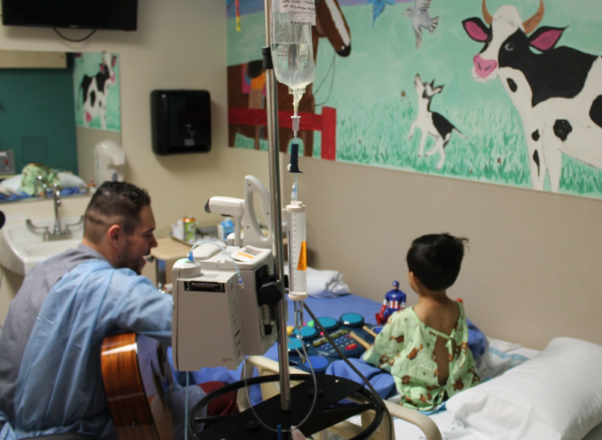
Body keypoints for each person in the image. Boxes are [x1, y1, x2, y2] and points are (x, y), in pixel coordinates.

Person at [0, 181, 236, 440]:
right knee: (221, 393)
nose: (153, 244)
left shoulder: (41, 272)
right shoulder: (111, 286)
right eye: (147, 235)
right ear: (115, 236)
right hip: (77, 432)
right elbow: (191, 328)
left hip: (12, 430)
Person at [363, 233, 480, 411]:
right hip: (457, 384)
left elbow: (381, 354)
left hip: (422, 390)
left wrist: (369, 352)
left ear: (413, 277)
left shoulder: (405, 317)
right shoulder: (458, 308)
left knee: (347, 367)